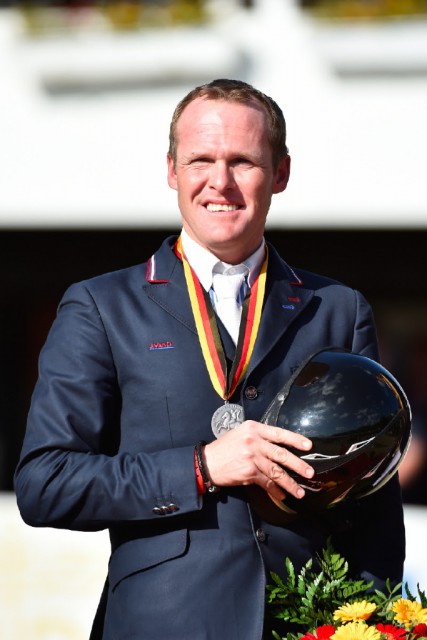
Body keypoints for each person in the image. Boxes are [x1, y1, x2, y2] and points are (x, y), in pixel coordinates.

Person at [14, 79, 405, 640]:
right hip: (159, 625)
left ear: (281, 173)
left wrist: (375, 621)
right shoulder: (100, 306)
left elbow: (372, 499)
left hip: (305, 627)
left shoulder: (339, 310)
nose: (219, 182)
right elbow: (45, 483)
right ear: (172, 170)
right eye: (201, 159)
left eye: (243, 161)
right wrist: (201, 469)